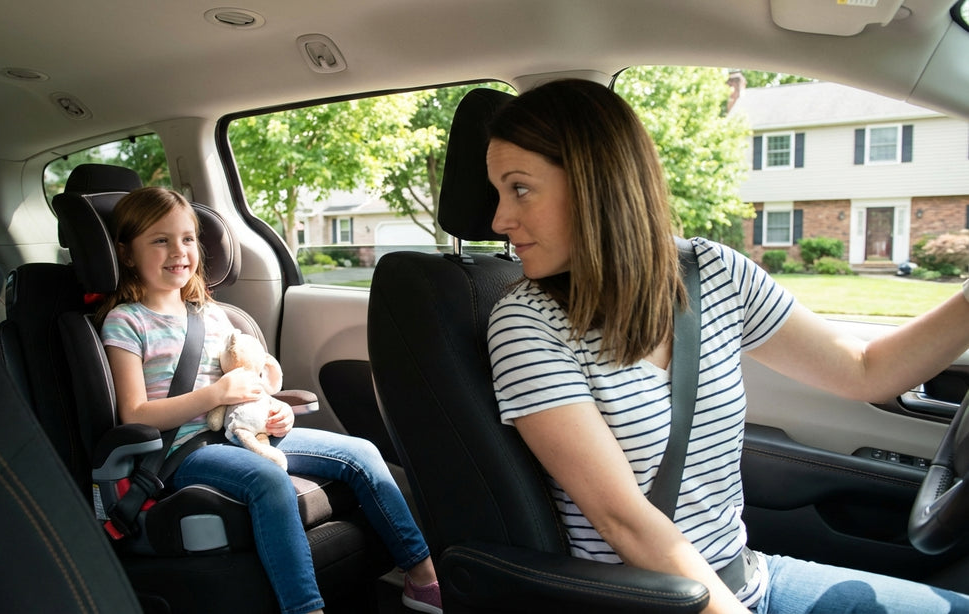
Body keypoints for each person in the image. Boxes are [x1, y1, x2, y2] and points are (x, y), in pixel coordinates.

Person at [484, 78, 969, 614]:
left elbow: (864, 370)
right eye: (499, 192)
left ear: (595, 182)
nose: (499, 219)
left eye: (520, 189)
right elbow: (624, 520)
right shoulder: (526, 322)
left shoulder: (712, 271)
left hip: (748, 577)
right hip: (649, 601)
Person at [98, 186, 441, 614]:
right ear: (127, 254)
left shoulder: (212, 314)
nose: (179, 251)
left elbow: (249, 384)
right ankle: (304, 608)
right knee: (269, 481)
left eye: (187, 239)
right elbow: (135, 412)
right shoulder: (126, 321)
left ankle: (423, 577)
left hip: (242, 431)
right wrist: (216, 394)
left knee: (362, 454)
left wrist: (274, 410)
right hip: (183, 449)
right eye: (160, 240)